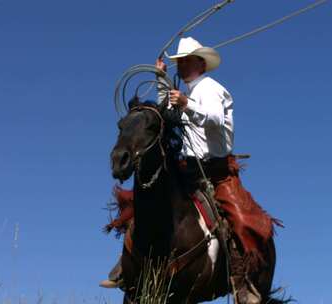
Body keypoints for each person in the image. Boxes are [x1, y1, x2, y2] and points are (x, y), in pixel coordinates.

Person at [101, 37, 280, 304]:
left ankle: (245, 282)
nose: (181, 65)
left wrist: (187, 104)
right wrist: (162, 79)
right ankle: (127, 266)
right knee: (144, 201)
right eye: (179, 61)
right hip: (185, 169)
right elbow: (166, 112)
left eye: (186, 60)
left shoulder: (211, 88)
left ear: (201, 63)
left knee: (241, 220)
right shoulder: (183, 92)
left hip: (216, 171)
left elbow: (216, 119)